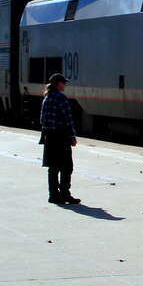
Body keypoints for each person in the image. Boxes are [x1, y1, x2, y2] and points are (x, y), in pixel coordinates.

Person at [39, 73, 80, 205]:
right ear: (58, 84)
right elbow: (68, 120)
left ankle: (53, 195)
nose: (65, 85)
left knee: (53, 167)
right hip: (61, 137)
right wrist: (72, 136)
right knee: (67, 166)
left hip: (49, 137)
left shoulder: (47, 98)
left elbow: (42, 120)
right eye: (63, 82)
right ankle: (65, 194)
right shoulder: (61, 98)